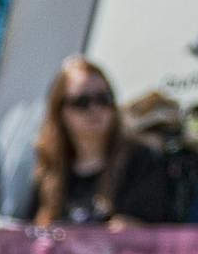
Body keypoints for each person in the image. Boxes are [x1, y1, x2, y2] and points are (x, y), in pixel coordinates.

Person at [26, 56, 170, 226]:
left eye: (104, 99)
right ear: (60, 112)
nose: (95, 109)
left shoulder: (141, 159)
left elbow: (132, 233)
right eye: (82, 102)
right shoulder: (49, 170)